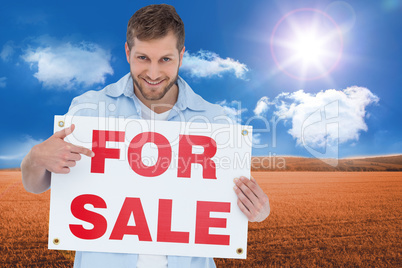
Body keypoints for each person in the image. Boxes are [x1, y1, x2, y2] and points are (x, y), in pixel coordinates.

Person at [21, 4, 270, 268]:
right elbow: (36, 184)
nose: (153, 74)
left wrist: (258, 211)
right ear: (128, 52)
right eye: (143, 58)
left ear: (181, 56)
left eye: (165, 59)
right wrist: (36, 158)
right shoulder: (88, 110)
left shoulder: (214, 120)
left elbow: (229, 201)